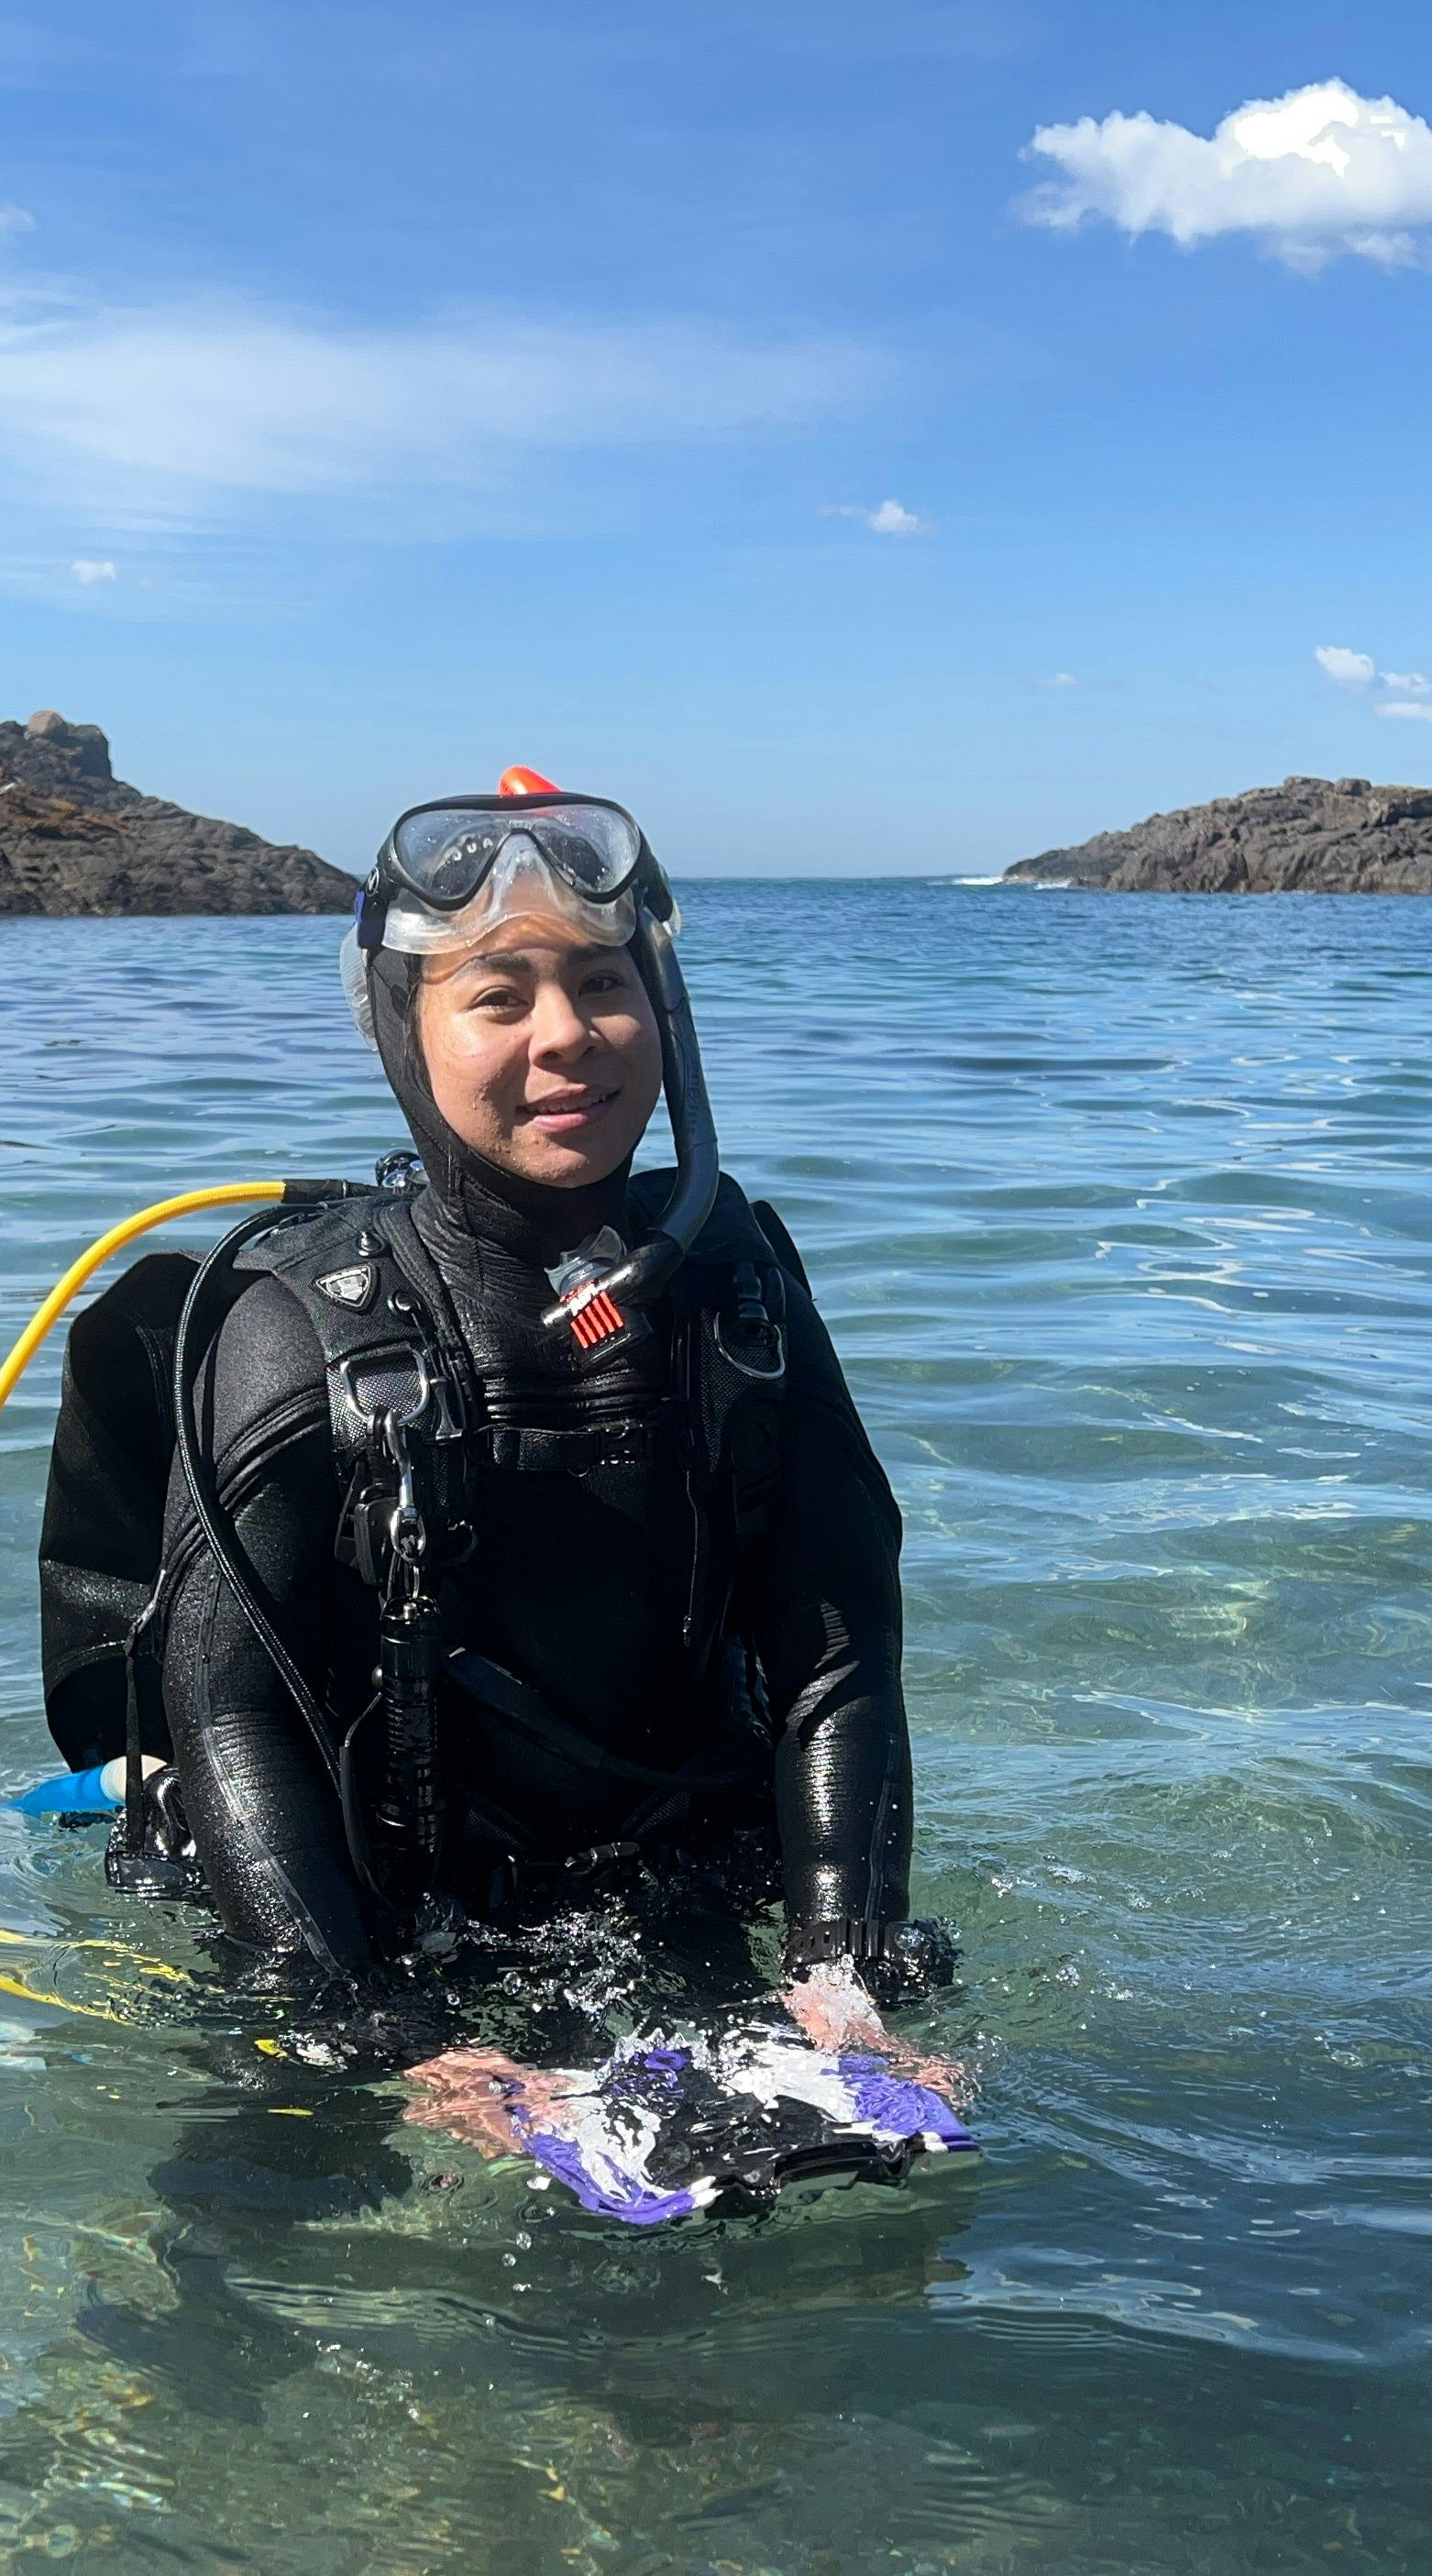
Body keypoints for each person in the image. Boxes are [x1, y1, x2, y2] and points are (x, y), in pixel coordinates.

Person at [89, 772, 931, 2073]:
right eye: (499, 996)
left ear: (666, 1008)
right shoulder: (296, 1323)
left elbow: (842, 1659)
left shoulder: (739, 1290)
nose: (569, 1034)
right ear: (403, 1031)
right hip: (358, 1919)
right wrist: (378, 2031)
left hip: (669, 1891)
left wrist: (843, 1970)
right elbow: (228, 1717)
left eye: (603, 982)